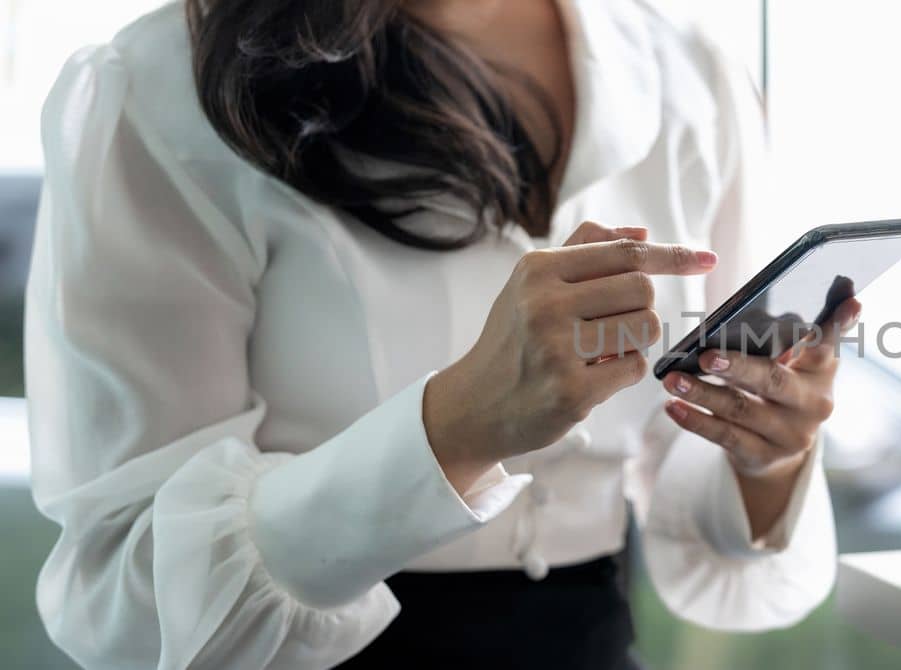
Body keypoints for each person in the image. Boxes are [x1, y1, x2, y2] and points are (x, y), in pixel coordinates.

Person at [25, 0, 854, 667]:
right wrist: (453, 425)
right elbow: (123, 596)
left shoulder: (688, 67)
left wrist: (768, 456)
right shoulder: (157, 87)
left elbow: (707, 527)